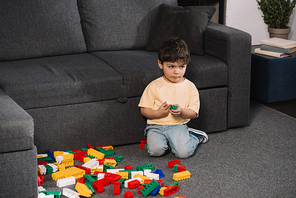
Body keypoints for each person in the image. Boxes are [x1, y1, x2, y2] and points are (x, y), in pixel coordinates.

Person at [138, 37, 208, 158]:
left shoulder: (190, 87)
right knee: (155, 151)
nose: (177, 72)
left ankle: (194, 137)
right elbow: (144, 110)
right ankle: (174, 141)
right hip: (156, 126)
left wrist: (182, 111)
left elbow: (194, 113)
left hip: (178, 125)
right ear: (160, 64)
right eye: (171, 67)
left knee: (184, 153)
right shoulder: (154, 86)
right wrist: (157, 113)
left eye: (181, 67)